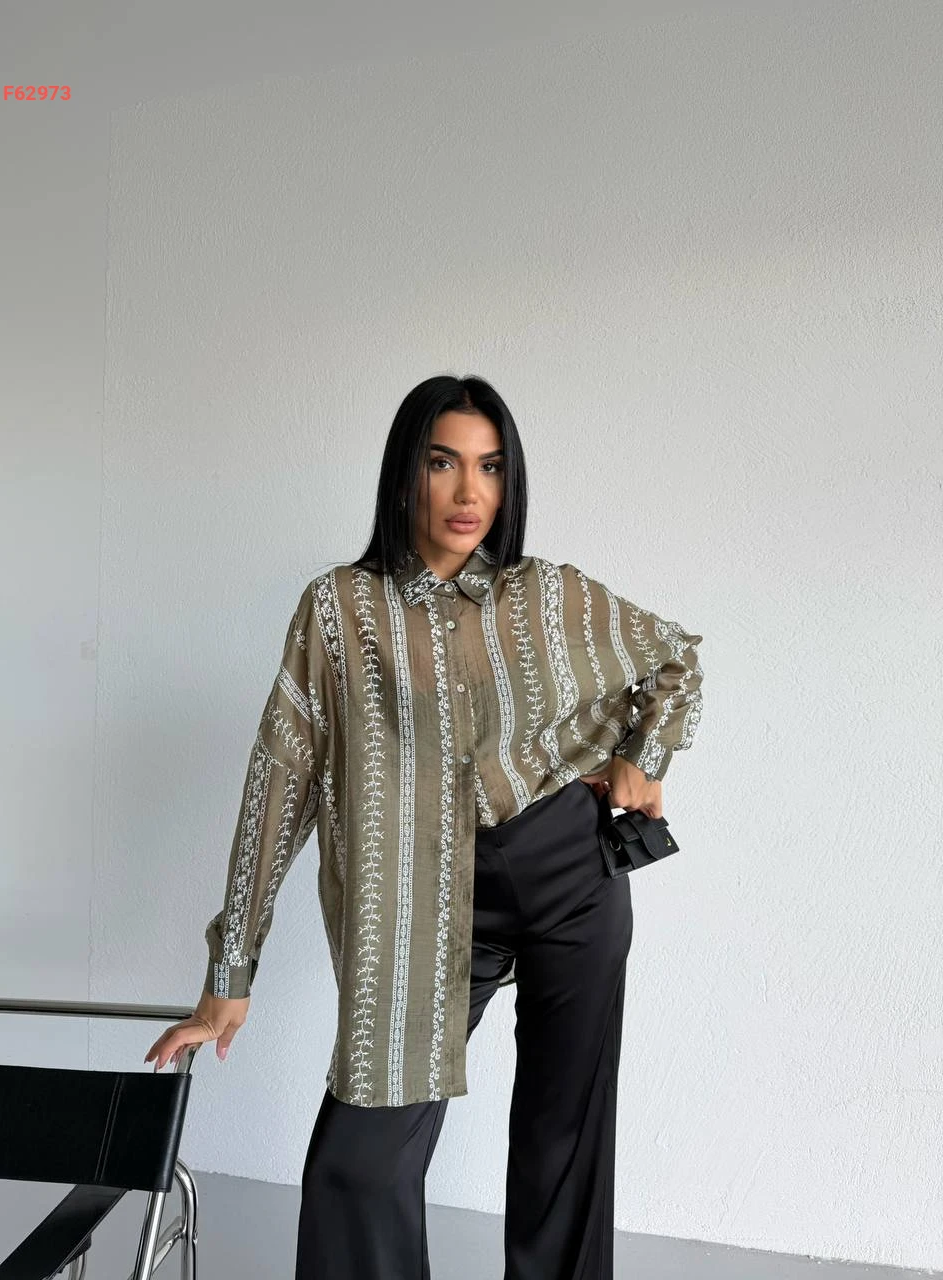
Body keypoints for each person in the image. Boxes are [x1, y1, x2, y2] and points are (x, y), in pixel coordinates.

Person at [144, 373, 704, 1279]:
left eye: (491, 467)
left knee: (563, 1145)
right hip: (425, 904)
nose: (469, 491)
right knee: (357, 1162)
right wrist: (230, 971)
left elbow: (674, 658)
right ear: (407, 472)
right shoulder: (339, 611)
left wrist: (646, 759)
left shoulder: (545, 595)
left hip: (572, 878)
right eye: (444, 463)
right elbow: (279, 783)